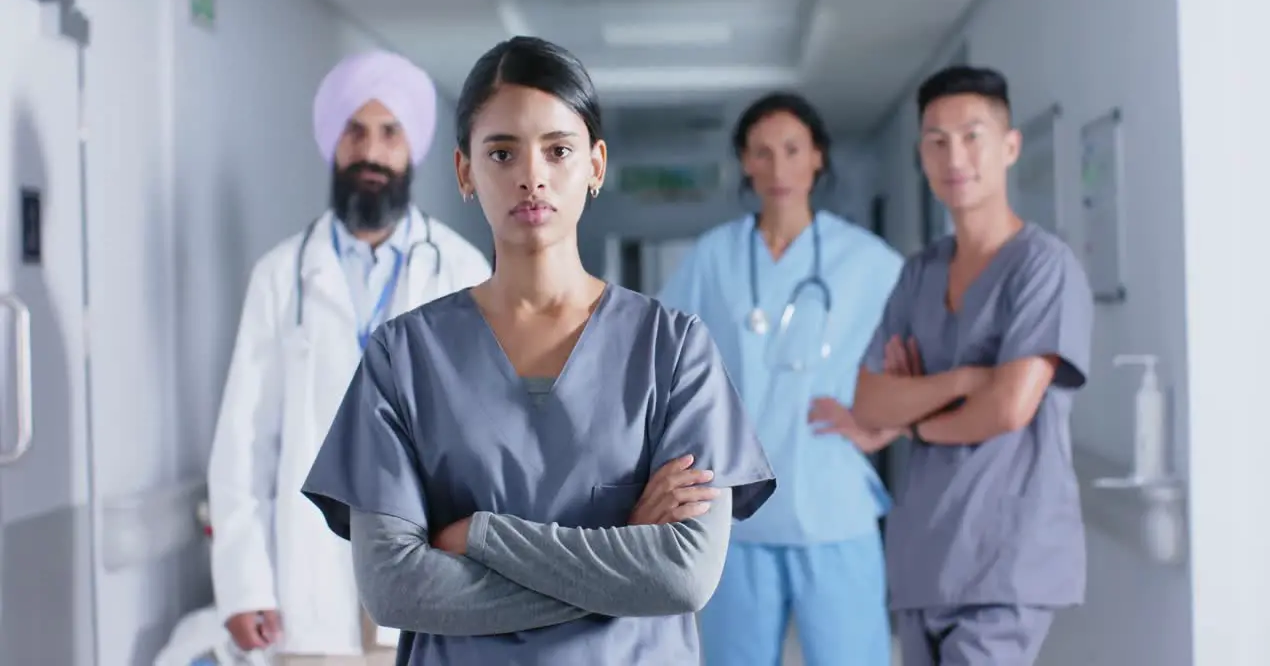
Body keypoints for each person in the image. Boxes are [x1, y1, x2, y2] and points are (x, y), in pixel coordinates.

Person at [298, 36, 777, 666]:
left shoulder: (672, 351)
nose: (532, 176)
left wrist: (480, 536)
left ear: (596, 165)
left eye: (558, 150)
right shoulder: (404, 358)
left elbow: (682, 577)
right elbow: (395, 590)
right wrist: (623, 549)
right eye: (502, 152)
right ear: (465, 171)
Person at [206, 50, 493, 664]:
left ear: (411, 148)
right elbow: (244, 441)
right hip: (311, 580)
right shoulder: (281, 276)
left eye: (389, 133)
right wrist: (243, 584)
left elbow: (488, 438)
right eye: (355, 131)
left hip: (429, 569)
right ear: (332, 144)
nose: (371, 151)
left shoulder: (463, 271)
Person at [809, 65, 1094, 665]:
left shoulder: (1044, 267)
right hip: (924, 557)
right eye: (936, 140)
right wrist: (965, 381)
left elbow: (1008, 408)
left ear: (1009, 147)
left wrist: (914, 413)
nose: (953, 155)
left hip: (1005, 558)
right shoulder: (919, 273)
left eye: (972, 136)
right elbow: (871, 402)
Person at [658, 92, 903, 666]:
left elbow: (921, 357)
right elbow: (661, 361)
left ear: (817, 157)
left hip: (833, 509)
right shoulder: (713, 256)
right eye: (761, 153)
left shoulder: (868, 261)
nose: (778, 168)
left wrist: (883, 428)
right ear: (744, 162)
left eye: (792, 150)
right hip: (736, 512)